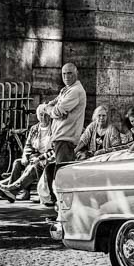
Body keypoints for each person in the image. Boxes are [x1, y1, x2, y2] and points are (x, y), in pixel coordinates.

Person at [40, 62, 86, 207]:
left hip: (65, 137)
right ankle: (59, 205)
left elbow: (56, 111)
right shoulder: (65, 90)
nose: (66, 76)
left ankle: (63, 208)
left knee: (62, 177)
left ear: (76, 73)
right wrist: (49, 107)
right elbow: (52, 105)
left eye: (70, 73)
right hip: (60, 138)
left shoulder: (75, 91)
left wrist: (48, 109)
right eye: (64, 74)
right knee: (53, 171)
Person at [0, 107, 53, 202]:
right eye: (41, 115)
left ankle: (12, 191)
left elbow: (54, 149)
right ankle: (16, 192)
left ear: (49, 115)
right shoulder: (34, 128)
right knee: (17, 163)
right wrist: (25, 156)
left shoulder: (54, 128)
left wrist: (39, 158)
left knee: (33, 166)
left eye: (45, 115)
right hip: (35, 155)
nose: (43, 117)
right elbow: (28, 145)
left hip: (46, 158)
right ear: (37, 116)